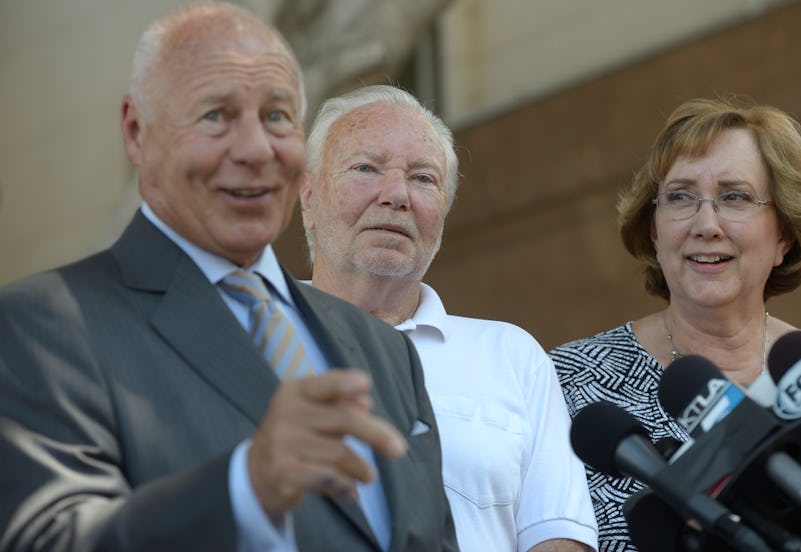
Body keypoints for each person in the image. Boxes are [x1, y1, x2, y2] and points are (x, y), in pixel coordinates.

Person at [0, 4, 458, 552]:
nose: (254, 149)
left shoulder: (384, 350)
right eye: (216, 115)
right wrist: (247, 487)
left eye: (277, 117)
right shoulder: (44, 325)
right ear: (136, 131)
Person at [299, 84, 598, 552]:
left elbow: (557, 536)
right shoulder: (246, 333)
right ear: (308, 196)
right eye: (365, 168)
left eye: (423, 178)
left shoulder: (512, 357)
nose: (397, 193)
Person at [550, 97, 801, 551]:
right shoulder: (566, 383)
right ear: (655, 231)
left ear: (784, 236)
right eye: (680, 197)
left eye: (735, 196)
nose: (706, 224)